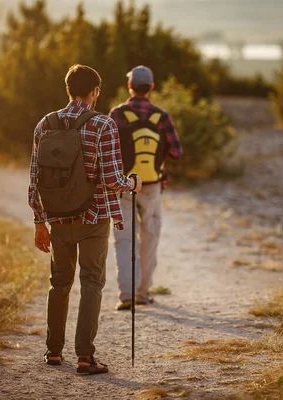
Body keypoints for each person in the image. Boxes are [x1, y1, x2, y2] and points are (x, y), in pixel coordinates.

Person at [28, 64, 142, 373]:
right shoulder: (103, 125)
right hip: (94, 218)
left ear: (68, 89)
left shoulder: (45, 124)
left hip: (58, 219)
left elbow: (34, 179)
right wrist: (133, 183)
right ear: (94, 92)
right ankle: (84, 356)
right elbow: (114, 179)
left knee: (59, 284)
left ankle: (53, 352)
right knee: (91, 283)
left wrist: (40, 221)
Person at [109, 66, 183, 311]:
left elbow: (108, 150)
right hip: (151, 186)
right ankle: (143, 293)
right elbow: (176, 152)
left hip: (123, 184)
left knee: (124, 239)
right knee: (149, 237)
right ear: (151, 87)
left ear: (129, 86)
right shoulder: (161, 116)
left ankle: (126, 294)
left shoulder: (117, 113)